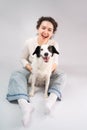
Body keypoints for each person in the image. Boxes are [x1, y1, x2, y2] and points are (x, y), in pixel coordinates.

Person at [6, 16, 66, 127]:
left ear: (52, 33)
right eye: (43, 28)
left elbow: (55, 63)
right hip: (32, 69)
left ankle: (50, 101)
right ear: (38, 28)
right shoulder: (29, 42)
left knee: (62, 75)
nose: (46, 31)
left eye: (50, 30)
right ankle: (24, 104)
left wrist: (47, 71)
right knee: (16, 74)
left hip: (47, 71)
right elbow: (22, 58)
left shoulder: (54, 44)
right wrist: (30, 68)